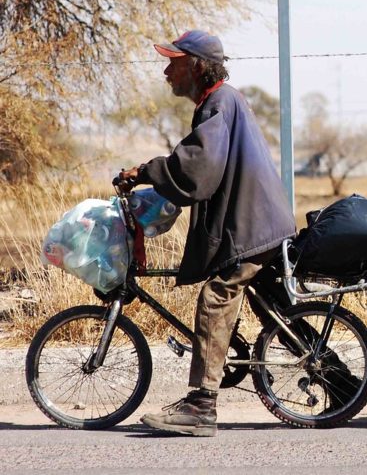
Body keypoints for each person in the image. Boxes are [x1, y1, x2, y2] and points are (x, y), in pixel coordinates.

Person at [119, 30, 296, 437]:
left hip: (252, 224)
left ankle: (201, 406)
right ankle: (340, 383)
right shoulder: (219, 101)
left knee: (216, 298)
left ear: (197, 67)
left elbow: (197, 165)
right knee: (268, 307)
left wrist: (145, 171)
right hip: (255, 220)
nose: (167, 72)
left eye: (174, 63)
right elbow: (200, 168)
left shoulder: (219, 102)